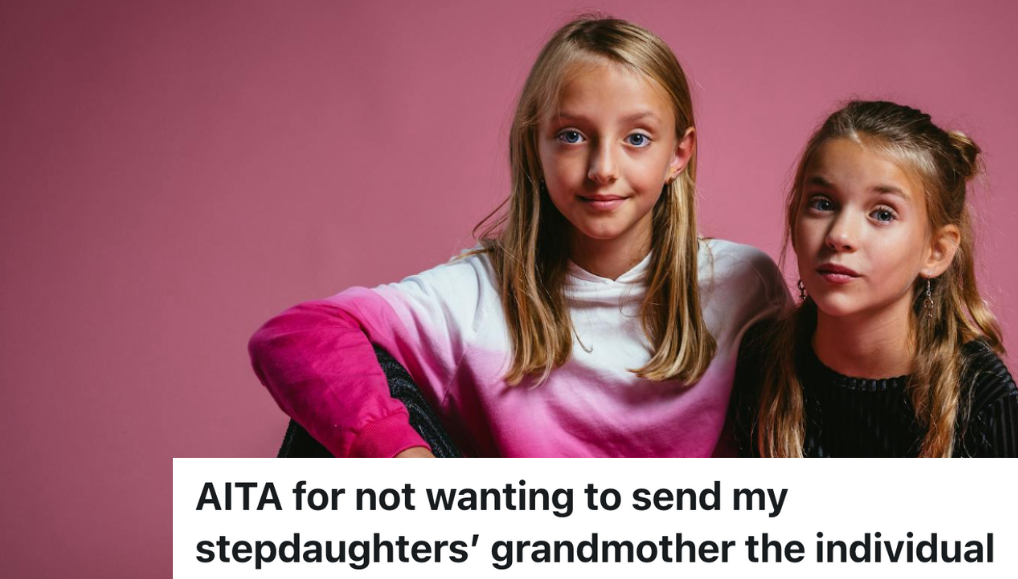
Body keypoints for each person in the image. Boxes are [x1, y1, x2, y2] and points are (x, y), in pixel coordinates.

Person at [249, 16, 788, 458]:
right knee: (334, 415)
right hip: (518, 570)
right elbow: (294, 336)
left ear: (678, 154)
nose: (603, 167)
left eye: (637, 138)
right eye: (571, 136)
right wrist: (400, 461)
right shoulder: (480, 291)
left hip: (687, 569)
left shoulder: (740, 282)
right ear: (535, 147)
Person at [731, 100, 1018, 579]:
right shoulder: (762, 361)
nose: (839, 234)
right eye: (821, 202)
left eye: (882, 213)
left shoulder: (981, 395)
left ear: (936, 251)